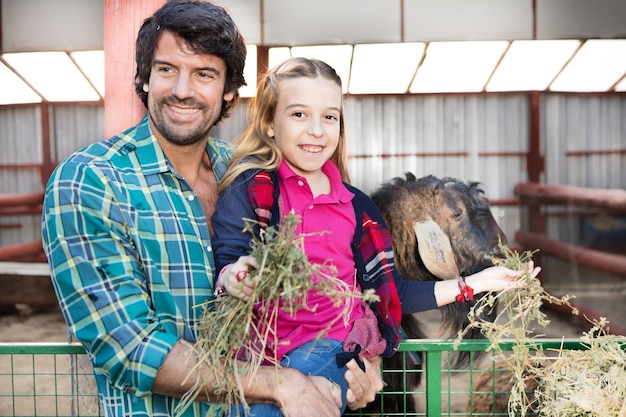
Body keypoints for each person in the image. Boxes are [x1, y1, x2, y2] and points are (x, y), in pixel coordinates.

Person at [40, 2, 380, 417]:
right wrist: (283, 384)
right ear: (144, 79)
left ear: (228, 93)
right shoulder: (91, 181)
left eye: (204, 74)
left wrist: (349, 375)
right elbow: (129, 347)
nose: (183, 89)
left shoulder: (249, 174)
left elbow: (328, 283)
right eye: (166, 69)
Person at [211, 57, 541, 416]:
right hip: (258, 349)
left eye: (329, 117)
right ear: (270, 124)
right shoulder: (250, 187)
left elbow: (390, 292)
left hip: (330, 345)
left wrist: (476, 282)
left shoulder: (356, 207)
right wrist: (236, 275)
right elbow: (230, 256)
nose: (317, 130)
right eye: (299, 115)